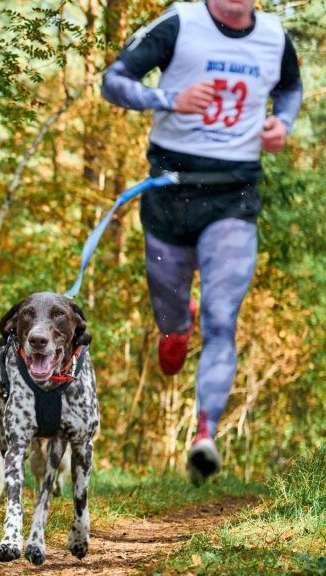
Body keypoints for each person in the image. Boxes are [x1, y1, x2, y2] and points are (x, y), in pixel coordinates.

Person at [101, 0, 302, 484]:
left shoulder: (274, 36)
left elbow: (291, 89)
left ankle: (204, 432)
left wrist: (283, 124)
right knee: (172, 318)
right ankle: (175, 328)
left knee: (221, 316)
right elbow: (113, 82)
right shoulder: (179, 23)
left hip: (233, 194)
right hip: (168, 192)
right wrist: (169, 98)